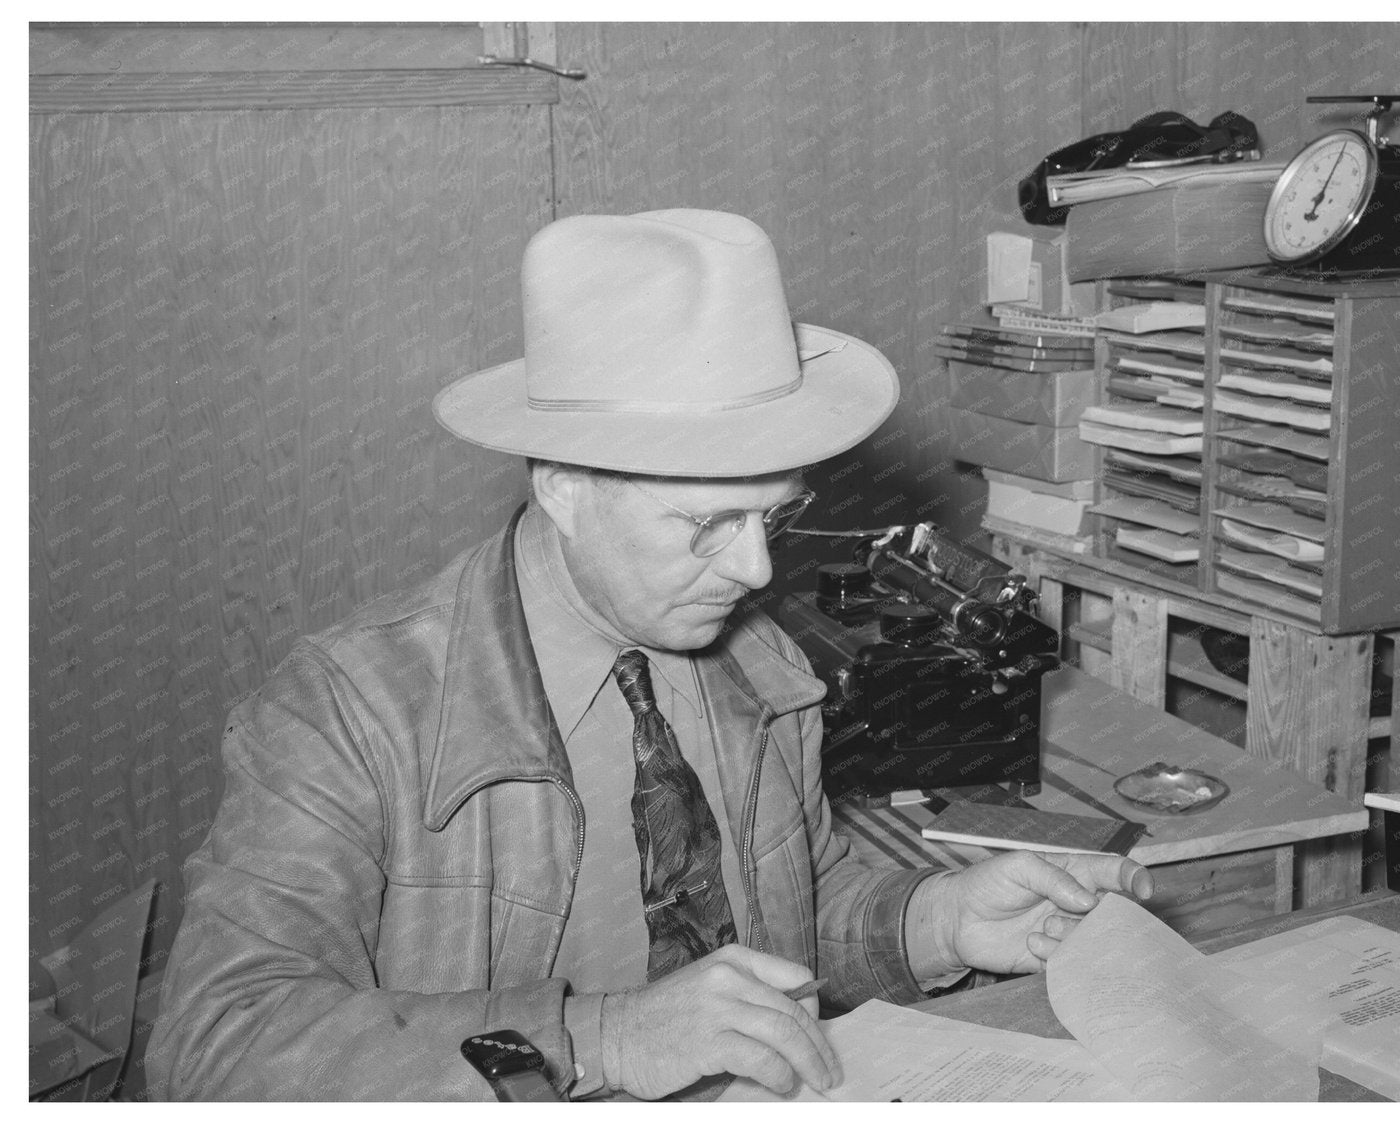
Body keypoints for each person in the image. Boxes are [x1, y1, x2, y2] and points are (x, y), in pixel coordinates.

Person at [147, 209, 1152, 1101]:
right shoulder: (350, 711)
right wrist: (603, 1035)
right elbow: (216, 1042)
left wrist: (941, 920)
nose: (755, 568)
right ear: (563, 485)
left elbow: (793, 921)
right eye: (706, 522)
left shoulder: (752, 666)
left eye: (774, 517)